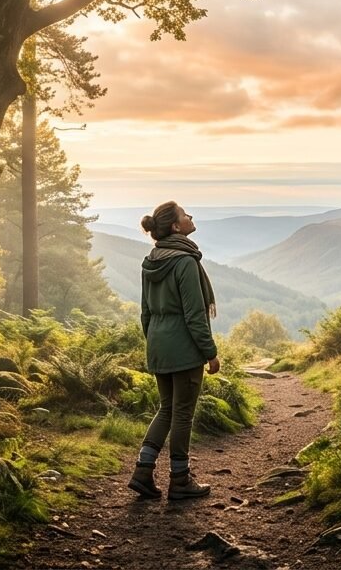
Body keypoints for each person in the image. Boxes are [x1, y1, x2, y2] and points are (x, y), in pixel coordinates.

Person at [127, 201, 220, 500]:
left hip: (158, 345)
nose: (190, 216)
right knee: (182, 414)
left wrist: (155, 343)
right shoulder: (185, 262)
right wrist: (210, 352)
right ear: (176, 227)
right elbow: (195, 315)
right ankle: (180, 479)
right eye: (184, 214)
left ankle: (143, 471)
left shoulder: (151, 260)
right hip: (184, 348)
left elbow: (145, 312)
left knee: (166, 409)